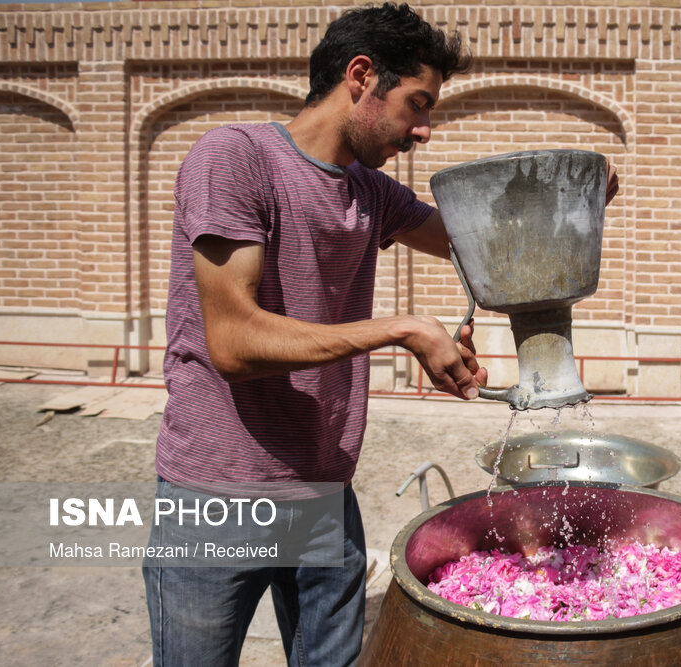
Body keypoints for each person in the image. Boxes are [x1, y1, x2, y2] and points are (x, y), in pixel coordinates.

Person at [143, 3, 618, 666]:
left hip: (321, 491)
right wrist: (404, 327)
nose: (424, 130)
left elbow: (489, 237)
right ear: (361, 76)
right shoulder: (234, 159)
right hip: (218, 492)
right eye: (417, 104)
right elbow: (232, 341)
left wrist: (572, 194)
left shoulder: (373, 192)